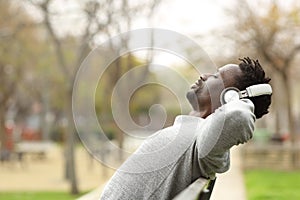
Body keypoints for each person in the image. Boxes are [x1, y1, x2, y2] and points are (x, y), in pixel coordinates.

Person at [100, 57, 272, 200]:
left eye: (216, 76)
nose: (204, 75)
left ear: (229, 96)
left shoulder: (206, 142)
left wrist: (241, 98)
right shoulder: (193, 132)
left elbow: (238, 117)